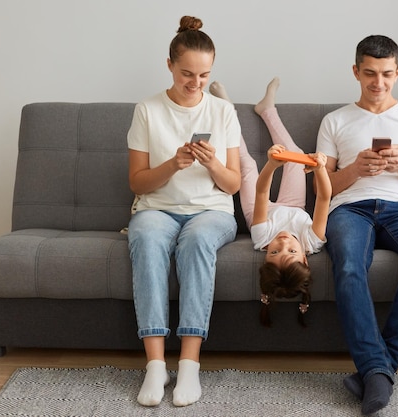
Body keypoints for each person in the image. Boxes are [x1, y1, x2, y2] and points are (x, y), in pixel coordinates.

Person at [315, 35, 398, 415]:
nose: (379, 83)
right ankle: (378, 369)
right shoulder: (334, 120)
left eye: (387, 74)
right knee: (350, 266)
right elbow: (321, 188)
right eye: (370, 73)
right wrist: (354, 169)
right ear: (356, 72)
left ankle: (375, 370)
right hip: (350, 209)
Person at [126, 16, 241, 408]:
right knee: (145, 235)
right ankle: (155, 365)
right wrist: (172, 165)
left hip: (211, 211)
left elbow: (233, 185)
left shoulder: (223, 111)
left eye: (204, 75)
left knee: (195, 241)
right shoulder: (147, 110)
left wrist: (211, 164)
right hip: (156, 208)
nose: (195, 83)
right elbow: (138, 183)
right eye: (186, 74)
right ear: (170, 65)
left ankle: (189, 364)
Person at [209, 78, 331, 327]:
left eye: (274, 252)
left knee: (247, 164)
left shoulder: (262, 237)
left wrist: (272, 164)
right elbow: (324, 197)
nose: (283, 243)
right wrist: (319, 168)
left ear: (265, 256)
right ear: (306, 257)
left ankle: (226, 108)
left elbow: (261, 192)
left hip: (258, 209)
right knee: (296, 156)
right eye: (291, 251)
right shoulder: (313, 240)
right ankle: (267, 110)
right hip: (294, 206)